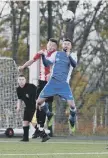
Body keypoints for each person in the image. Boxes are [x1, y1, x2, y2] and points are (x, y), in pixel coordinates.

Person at [18, 38, 58, 138]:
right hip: (41, 82)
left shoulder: (56, 55)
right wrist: (23, 66)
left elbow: (58, 67)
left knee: (44, 104)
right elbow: (32, 60)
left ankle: (41, 127)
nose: (50, 46)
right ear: (47, 44)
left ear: (55, 47)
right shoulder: (42, 53)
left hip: (50, 83)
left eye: (53, 45)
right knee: (38, 104)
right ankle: (40, 128)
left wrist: (53, 75)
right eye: (49, 44)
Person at [36, 38, 77, 133]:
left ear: (70, 46)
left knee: (72, 106)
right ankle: (49, 114)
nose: (66, 45)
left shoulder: (73, 55)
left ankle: (72, 119)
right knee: (38, 102)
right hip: (53, 82)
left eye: (68, 44)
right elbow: (47, 64)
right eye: (64, 43)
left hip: (64, 84)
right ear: (62, 46)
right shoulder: (56, 54)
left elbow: (74, 65)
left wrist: (68, 56)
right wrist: (42, 56)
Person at [16, 75, 50, 142]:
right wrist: (18, 107)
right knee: (25, 122)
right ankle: (25, 138)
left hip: (34, 106)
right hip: (27, 107)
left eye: (22, 79)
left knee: (34, 123)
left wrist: (39, 105)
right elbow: (19, 99)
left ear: (25, 80)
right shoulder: (18, 89)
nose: (21, 81)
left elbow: (38, 95)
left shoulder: (31, 87)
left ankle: (45, 135)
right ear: (18, 81)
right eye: (20, 79)